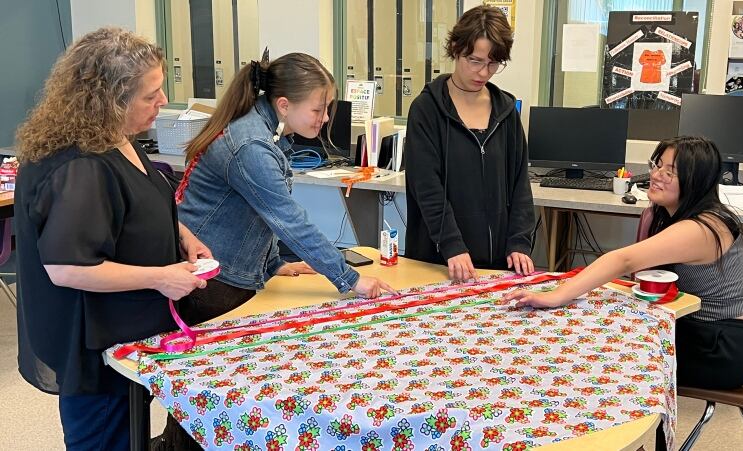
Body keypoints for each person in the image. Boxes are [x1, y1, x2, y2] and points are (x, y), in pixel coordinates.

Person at [14, 28, 211, 450]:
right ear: (109, 99)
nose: (162, 103)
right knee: (103, 438)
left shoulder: (114, 138)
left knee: (127, 432)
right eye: (150, 95)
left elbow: (138, 199)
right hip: (93, 339)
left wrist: (182, 234)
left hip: (124, 329)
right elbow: (68, 267)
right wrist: (160, 277)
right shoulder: (79, 168)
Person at [504, 136, 743, 390]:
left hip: (725, 345)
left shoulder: (702, 228)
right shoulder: (672, 216)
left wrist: (556, 296)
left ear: (695, 181)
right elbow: (643, 275)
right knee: (605, 328)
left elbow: (625, 260)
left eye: (670, 172)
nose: (657, 174)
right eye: (658, 164)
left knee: (612, 353)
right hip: (700, 328)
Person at [174, 51, 396, 326]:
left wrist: (273, 263)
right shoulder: (251, 145)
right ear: (284, 105)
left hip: (225, 270)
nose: (325, 118)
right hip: (215, 279)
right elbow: (288, 220)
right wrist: (351, 278)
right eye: (317, 109)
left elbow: (259, 211)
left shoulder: (263, 128)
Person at [404, 5, 536, 283]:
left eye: (493, 64)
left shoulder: (505, 111)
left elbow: (519, 183)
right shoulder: (427, 109)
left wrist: (519, 242)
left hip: (496, 261)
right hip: (440, 259)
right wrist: (452, 244)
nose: (483, 73)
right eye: (475, 61)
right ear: (455, 48)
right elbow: (427, 187)